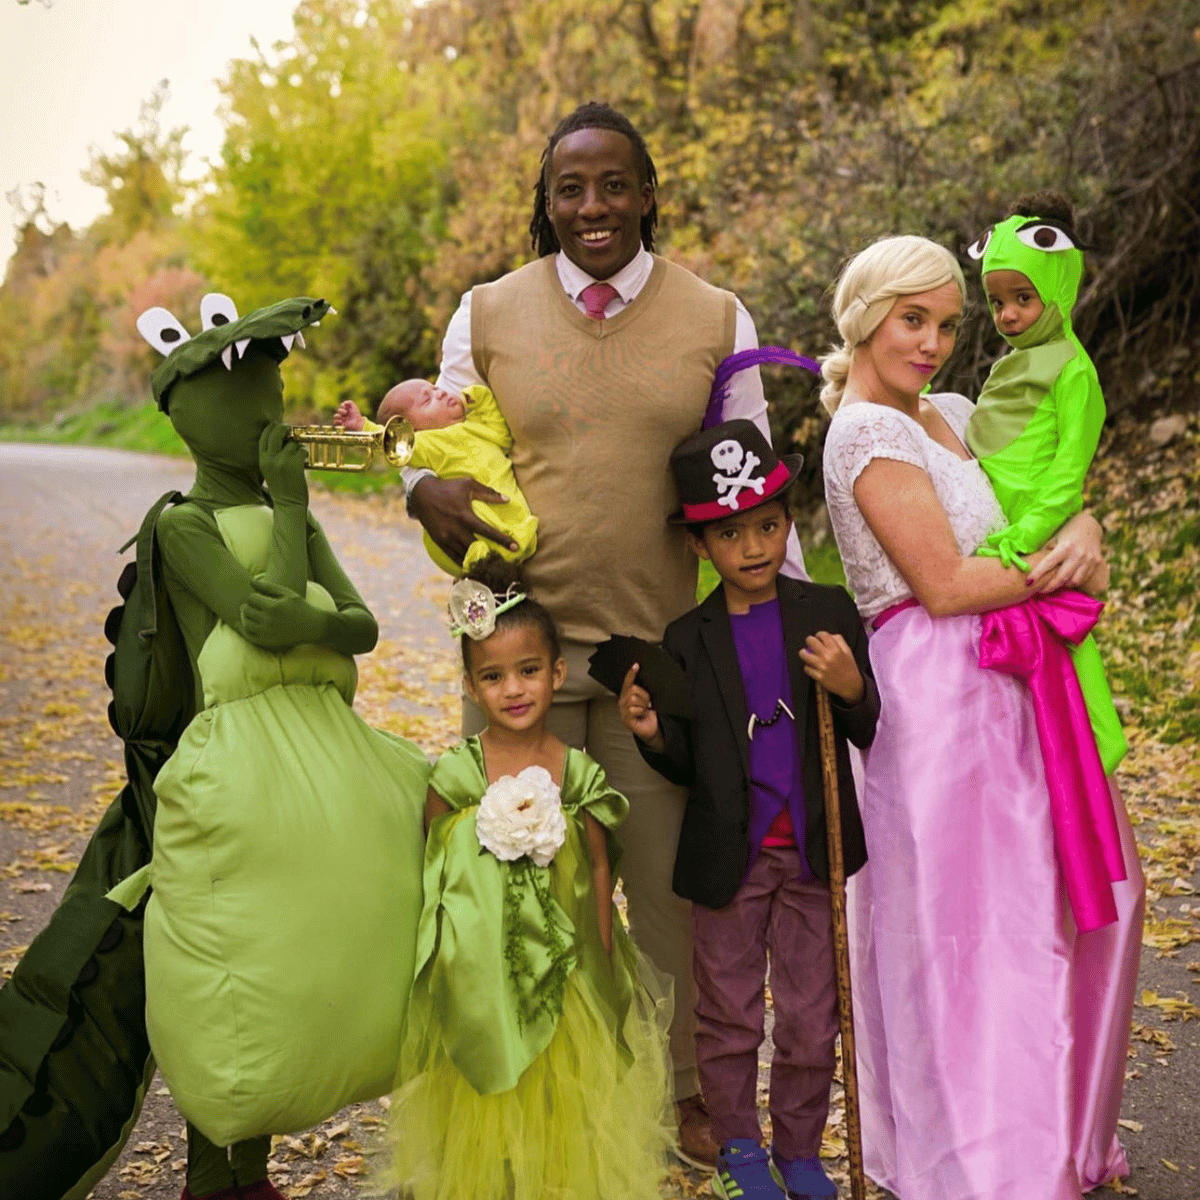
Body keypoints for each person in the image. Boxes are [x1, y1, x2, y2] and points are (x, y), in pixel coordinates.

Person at [401, 100, 808, 1165]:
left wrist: (794, 629)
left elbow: (752, 486)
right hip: (516, 658)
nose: (594, 206)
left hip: (659, 661)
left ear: (648, 194)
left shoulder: (718, 317)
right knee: (523, 890)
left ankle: (683, 1096)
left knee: (672, 893)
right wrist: (414, 491)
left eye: (614, 184)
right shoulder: (486, 311)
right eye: (571, 187)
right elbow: (445, 441)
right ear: (545, 201)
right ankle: (528, 1093)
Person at [819, 235, 1144, 1198]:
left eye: (950, 323)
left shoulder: (956, 413)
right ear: (866, 316)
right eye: (912, 319)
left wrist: (1084, 527)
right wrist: (1064, 566)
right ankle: (977, 1162)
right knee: (969, 931)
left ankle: (1051, 1136)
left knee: (1062, 910)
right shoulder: (863, 432)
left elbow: (1047, 497)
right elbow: (949, 582)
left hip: (1023, 682)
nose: (932, 342)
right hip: (935, 701)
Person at [131, 295, 428, 1200]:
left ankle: (248, 1167)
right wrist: (294, 526)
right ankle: (214, 1174)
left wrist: (309, 596)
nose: (275, 421)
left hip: (322, 735)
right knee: (234, 950)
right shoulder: (183, 524)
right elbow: (264, 616)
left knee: (308, 939)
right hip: (239, 750)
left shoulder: (296, 513)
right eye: (255, 405)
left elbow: (364, 626)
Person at [618, 420, 879, 1200]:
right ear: (701, 547)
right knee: (729, 1014)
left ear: (787, 522)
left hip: (812, 850)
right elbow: (691, 765)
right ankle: (739, 1147)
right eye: (731, 534)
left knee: (809, 1016)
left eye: (768, 524)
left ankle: (800, 1149)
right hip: (729, 857)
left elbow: (868, 726)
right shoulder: (687, 639)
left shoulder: (825, 610)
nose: (755, 546)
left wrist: (848, 685)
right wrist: (654, 732)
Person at [387, 557, 673, 1200]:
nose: (513, 689)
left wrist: (601, 956)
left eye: (529, 671)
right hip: (483, 976)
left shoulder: (576, 774)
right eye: (493, 676)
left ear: (557, 674)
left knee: (561, 1106)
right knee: (491, 1107)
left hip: (566, 972)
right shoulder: (457, 776)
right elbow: (432, 867)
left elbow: (600, 866)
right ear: (469, 686)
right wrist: (439, 968)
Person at [965, 190, 1126, 774]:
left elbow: (1068, 471)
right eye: (997, 301)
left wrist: (1032, 528)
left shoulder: (1074, 369)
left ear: (1058, 286)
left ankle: (1093, 756)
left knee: (1066, 650)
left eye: (1024, 299)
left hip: (1031, 525)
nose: (1007, 315)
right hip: (996, 517)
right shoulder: (1012, 360)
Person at [334, 379, 537, 576]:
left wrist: (482, 399)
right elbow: (392, 441)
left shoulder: (476, 426)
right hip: (475, 516)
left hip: (508, 507)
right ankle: (483, 558)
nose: (439, 393)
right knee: (473, 517)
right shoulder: (429, 443)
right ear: (410, 430)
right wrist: (362, 426)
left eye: (435, 389)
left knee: (506, 514)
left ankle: (509, 548)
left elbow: (501, 434)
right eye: (427, 400)